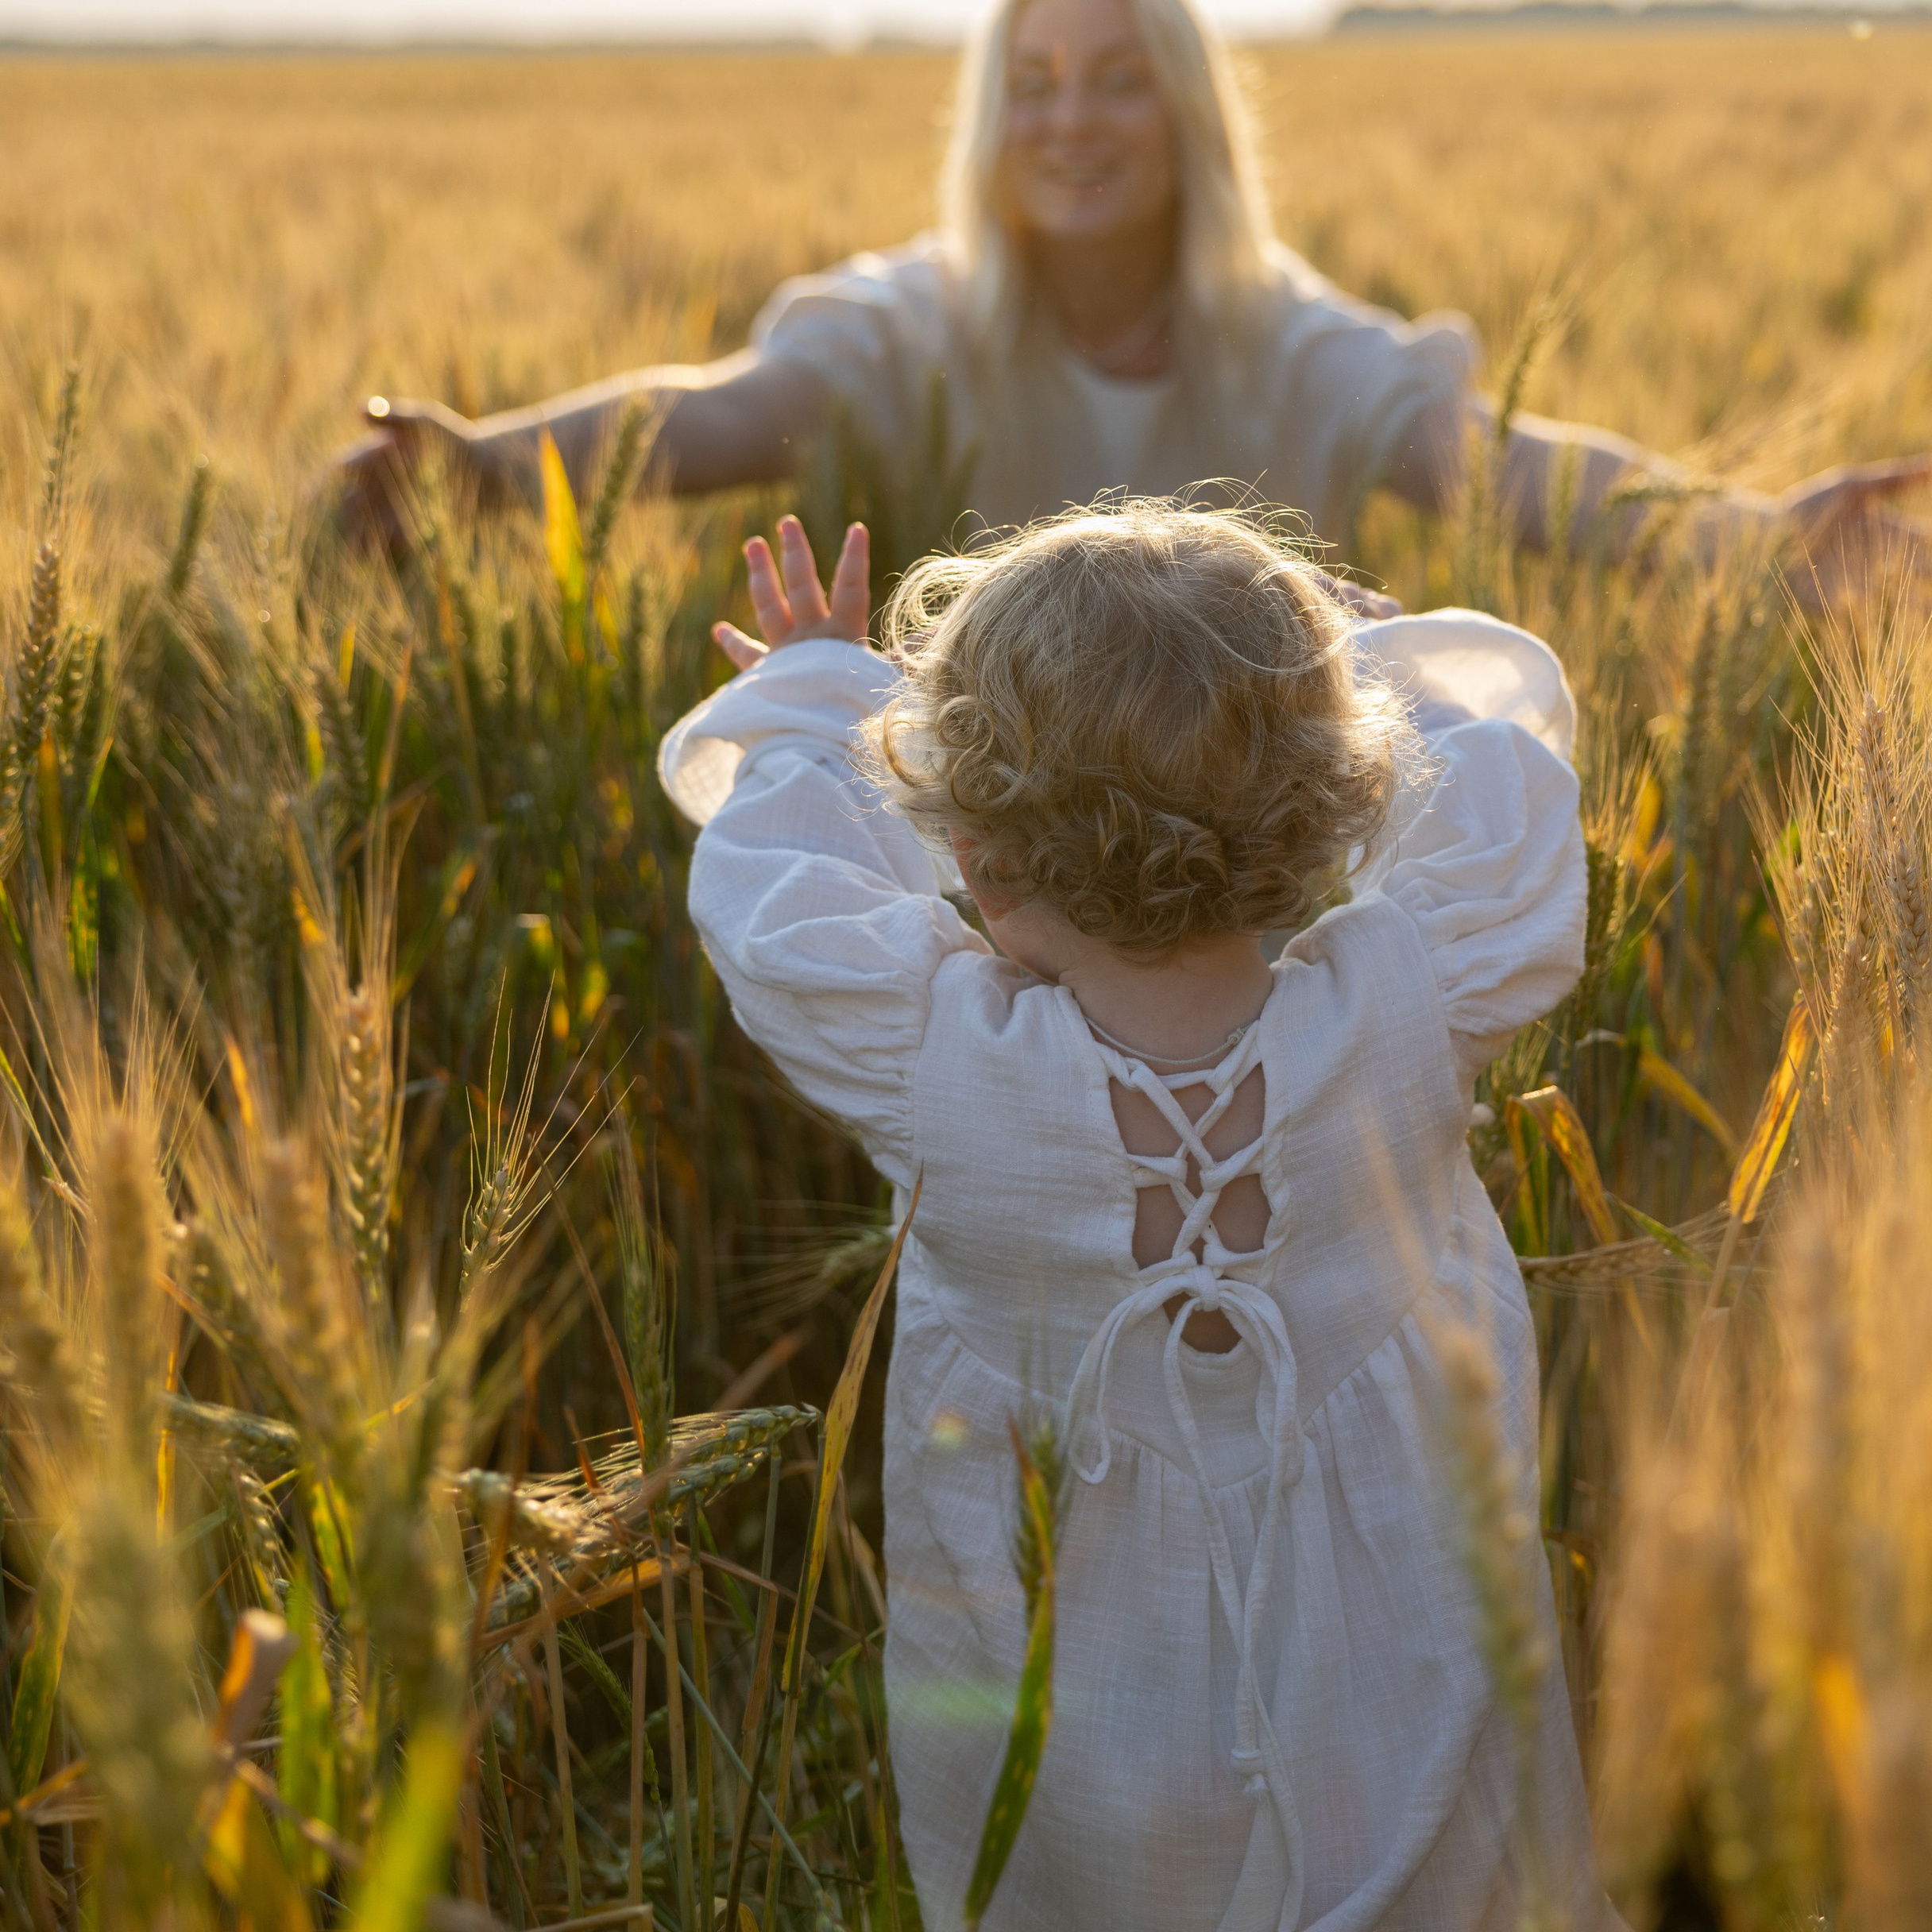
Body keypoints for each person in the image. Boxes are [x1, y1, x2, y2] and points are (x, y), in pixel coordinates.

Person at [660, 498, 1620, 1931]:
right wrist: (1367, 664)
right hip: (1405, 1639)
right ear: (1331, 803)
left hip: (1070, 1661)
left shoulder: (930, 1058)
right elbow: (1506, 797)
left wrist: (818, 697)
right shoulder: (1420, 996)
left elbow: (775, 887)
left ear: (969, 850)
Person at [338, 0, 1923, 589]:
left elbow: (1503, 464)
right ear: (988, 121)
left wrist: (1754, 535)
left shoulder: (1286, 345)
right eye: (1030, 82)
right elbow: (708, 414)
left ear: (1186, 116)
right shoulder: (915, 332)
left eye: (1112, 80)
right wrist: (481, 464)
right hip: (973, 916)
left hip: (1250, 907)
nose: (1068, 119)